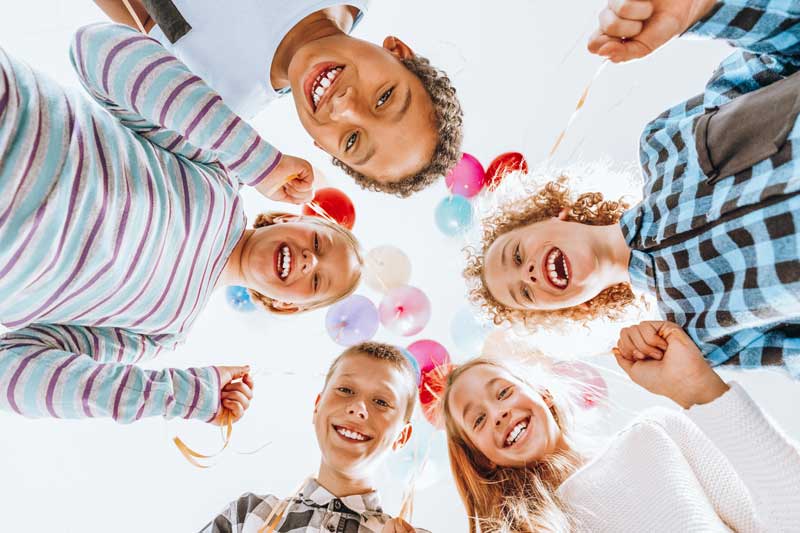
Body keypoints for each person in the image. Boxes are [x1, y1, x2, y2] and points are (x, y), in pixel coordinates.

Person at [0, 23, 363, 425]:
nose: (311, 261)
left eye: (316, 281)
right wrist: (259, 160)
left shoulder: (163, 333)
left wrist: (183, 396)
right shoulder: (221, 170)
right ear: (283, 217)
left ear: (284, 304)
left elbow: (9, 372)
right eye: (318, 242)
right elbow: (96, 49)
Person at [466, 0, 800, 377]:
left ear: (551, 215)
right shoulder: (695, 338)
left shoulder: (663, 144)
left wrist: (700, 10)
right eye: (524, 294)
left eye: (514, 255)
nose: (526, 274)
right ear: (560, 310)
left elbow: (783, 54)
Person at [443, 321, 800, 532]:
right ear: (483, 459)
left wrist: (700, 389)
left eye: (503, 392)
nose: (498, 413)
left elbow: (786, 515)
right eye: (478, 419)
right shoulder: (538, 527)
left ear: (543, 394)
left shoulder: (655, 433)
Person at [94, 0, 464, 197]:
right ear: (398, 52)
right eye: (384, 98)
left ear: (321, 148)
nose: (345, 106)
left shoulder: (216, 97)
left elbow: (135, 13)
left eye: (352, 140)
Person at [200, 342, 428, 533]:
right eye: (346, 390)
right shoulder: (247, 514)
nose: (358, 408)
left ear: (402, 436)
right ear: (317, 407)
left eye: (381, 402)